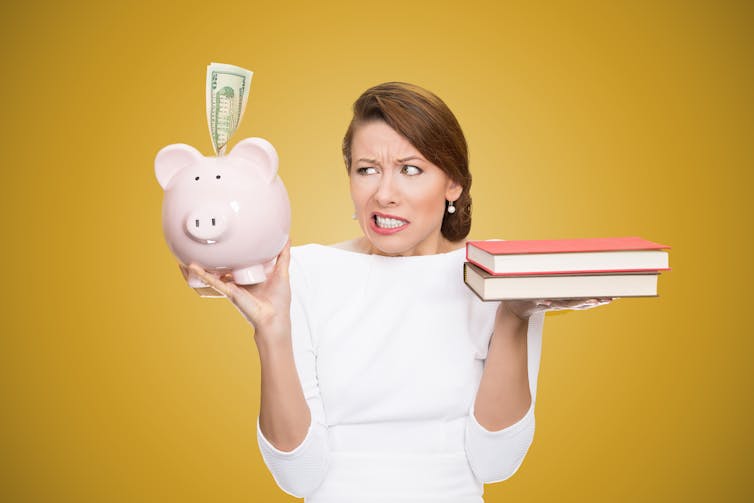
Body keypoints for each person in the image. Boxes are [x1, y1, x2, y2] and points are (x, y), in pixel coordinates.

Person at [190, 82, 611, 502]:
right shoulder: (303, 272)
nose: (384, 195)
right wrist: (271, 331)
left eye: (411, 169)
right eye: (367, 169)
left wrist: (515, 315)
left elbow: (496, 464)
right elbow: (298, 476)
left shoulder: (496, 273)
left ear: (453, 185)